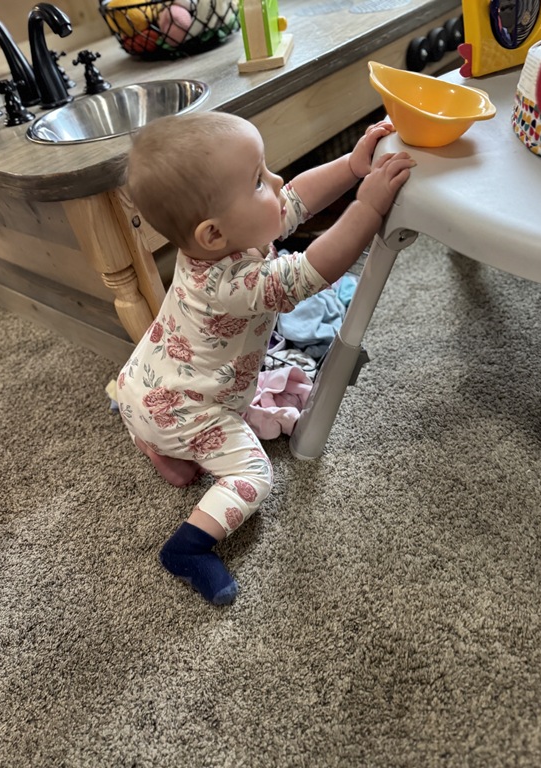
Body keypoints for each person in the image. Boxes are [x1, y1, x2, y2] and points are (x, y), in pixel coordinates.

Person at [116, 110, 415, 605]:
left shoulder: (231, 236)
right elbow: (311, 272)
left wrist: (352, 165)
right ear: (213, 234)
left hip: (139, 384)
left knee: (170, 434)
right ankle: (187, 549)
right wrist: (366, 205)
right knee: (255, 476)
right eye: (259, 179)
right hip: (186, 410)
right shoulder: (228, 284)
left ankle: (160, 449)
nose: (276, 182)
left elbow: (294, 197)